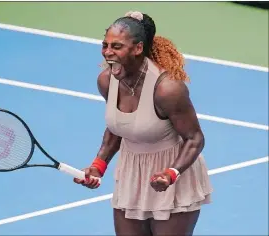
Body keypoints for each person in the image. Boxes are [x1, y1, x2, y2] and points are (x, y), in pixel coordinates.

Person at [74, 11, 213, 236]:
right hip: (132, 175)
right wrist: (98, 165)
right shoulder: (106, 81)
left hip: (172, 175)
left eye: (117, 46)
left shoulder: (167, 89)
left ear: (138, 48)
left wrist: (171, 173)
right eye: (105, 45)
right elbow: (119, 125)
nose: (108, 52)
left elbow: (195, 138)